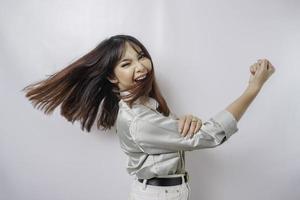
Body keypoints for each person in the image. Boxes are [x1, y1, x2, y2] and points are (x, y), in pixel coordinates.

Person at [22, 34, 275, 200]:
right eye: (126, 64)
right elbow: (209, 136)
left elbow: (183, 134)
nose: (140, 66)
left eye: (141, 56)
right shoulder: (138, 120)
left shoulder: (148, 106)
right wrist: (253, 88)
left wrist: (186, 119)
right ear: (112, 77)